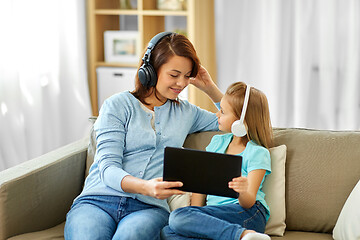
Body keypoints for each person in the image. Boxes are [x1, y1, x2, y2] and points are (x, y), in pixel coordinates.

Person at [64, 32, 223, 240]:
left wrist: (210, 88)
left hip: (147, 208)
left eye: (187, 76)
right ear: (151, 71)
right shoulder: (117, 105)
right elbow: (108, 168)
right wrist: (147, 186)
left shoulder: (187, 113)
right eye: (174, 75)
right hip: (97, 200)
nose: (182, 83)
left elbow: (237, 123)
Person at [162, 82, 273, 240]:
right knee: (168, 231)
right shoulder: (217, 143)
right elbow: (201, 184)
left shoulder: (257, 152)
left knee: (177, 217)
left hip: (248, 214)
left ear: (241, 121)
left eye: (222, 111)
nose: (217, 115)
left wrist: (242, 191)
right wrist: (194, 215)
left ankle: (243, 235)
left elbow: (249, 202)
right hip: (216, 216)